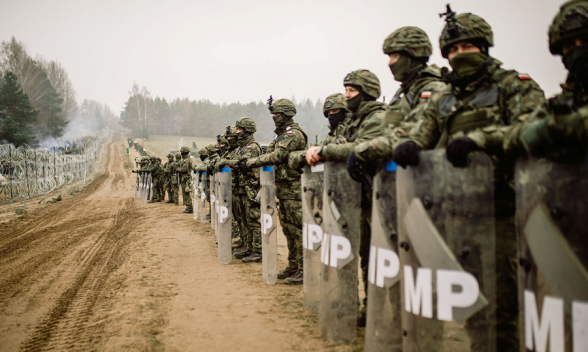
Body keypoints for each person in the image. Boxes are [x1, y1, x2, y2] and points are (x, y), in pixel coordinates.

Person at [392, 8, 546, 351]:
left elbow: (532, 129)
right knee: (471, 303)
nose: (461, 55)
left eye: (468, 47)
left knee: (502, 305)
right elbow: (421, 132)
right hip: (455, 215)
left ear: (485, 47)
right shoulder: (444, 96)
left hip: (503, 214)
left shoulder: (512, 86)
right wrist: (408, 146)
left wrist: (480, 140)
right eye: (454, 50)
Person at [306, 69, 386, 313]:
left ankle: (375, 312)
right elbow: (335, 145)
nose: (347, 96)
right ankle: (356, 305)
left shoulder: (378, 118)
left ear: (367, 92)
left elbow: (360, 148)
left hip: (377, 198)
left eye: (351, 91)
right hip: (354, 197)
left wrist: (324, 152)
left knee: (375, 259)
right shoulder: (358, 121)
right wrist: (316, 151)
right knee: (355, 253)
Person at [243, 98, 307, 284]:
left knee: (298, 230)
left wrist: (250, 162)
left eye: (277, 114)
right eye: (273, 114)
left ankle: (304, 268)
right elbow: (268, 153)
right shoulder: (280, 136)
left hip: (295, 189)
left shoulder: (293, 134)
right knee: (287, 229)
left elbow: (278, 156)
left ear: (287, 114)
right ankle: (293, 265)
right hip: (284, 188)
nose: (274, 117)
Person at [521, 0, 588, 162]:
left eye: (586, 41)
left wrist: (571, 125)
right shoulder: (564, 102)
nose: (578, 51)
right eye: (569, 45)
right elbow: (514, 133)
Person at [219, 118, 263, 262]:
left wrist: (226, 162)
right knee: (244, 220)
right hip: (242, 188)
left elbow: (240, 163)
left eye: (239, 130)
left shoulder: (252, 147)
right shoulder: (243, 147)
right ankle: (249, 247)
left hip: (251, 189)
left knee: (253, 220)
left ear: (248, 130)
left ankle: (258, 250)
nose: (237, 133)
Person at [288, 93, 351, 171]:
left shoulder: (351, 131)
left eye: (334, 111)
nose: (331, 116)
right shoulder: (332, 135)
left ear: (345, 111)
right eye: (328, 113)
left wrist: (316, 153)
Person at [178, 146, 193, 213]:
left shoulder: (186, 160)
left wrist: (178, 169)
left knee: (186, 193)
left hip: (186, 179)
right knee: (185, 193)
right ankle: (188, 207)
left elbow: (184, 169)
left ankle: (189, 207)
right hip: (184, 178)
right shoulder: (187, 159)